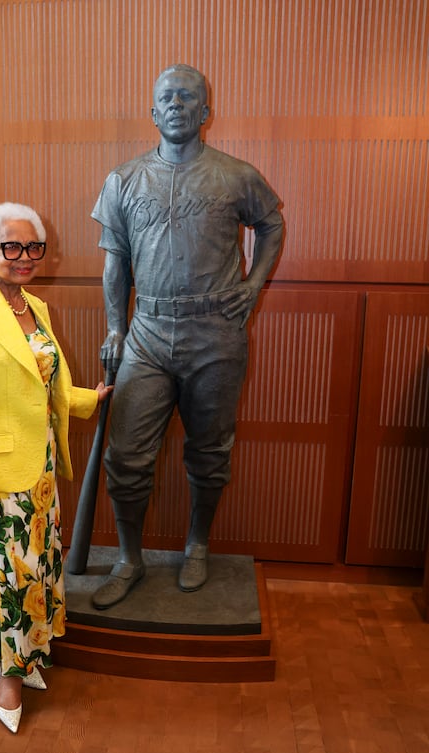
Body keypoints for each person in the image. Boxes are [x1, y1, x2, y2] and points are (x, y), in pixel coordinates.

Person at [90, 64, 284, 610]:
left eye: (188, 98)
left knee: (210, 452)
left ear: (206, 112)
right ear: (152, 113)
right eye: (166, 99)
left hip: (216, 333)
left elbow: (272, 224)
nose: (176, 105)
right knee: (125, 457)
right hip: (147, 334)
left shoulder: (236, 175)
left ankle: (197, 544)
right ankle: (129, 558)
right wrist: (115, 328)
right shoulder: (123, 181)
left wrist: (252, 287)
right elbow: (114, 264)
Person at [0, 202, 112, 733]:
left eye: (34, 246)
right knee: (5, 575)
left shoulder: (36, 307)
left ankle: (28, 654)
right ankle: (7, 674)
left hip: (42, 468)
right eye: (12, 246)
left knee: (34, 567)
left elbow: (44, 386)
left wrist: (89, 399)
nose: (25, 257)